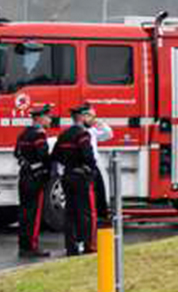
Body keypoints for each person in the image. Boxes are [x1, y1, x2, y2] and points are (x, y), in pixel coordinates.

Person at [51, 104, 101, 255]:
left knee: (70, 213)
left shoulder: (64, 134)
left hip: (67, 176)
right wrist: (90, 169)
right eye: (86, 115)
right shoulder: (83, 135)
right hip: (81, 177)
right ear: (80, 117)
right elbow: (88, 157)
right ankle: (89, 245)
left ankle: (71, 247)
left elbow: (55, 155)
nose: (88, 118)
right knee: (87, 213)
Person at [15, 104, 53, 258]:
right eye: (47, 117)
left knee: (24, 212)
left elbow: (17, 153)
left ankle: (23, 245)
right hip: (35, 177)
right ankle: (31, 246)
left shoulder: (23, 134)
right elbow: (43, 154)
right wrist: (48, 166)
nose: (49, 120)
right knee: (34, 214)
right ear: (39, 118)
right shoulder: (39, 135)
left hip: (24, 174)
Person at [82, 105, 114, 222]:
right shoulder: (78, 131)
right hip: (83, 167)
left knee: (100, 191)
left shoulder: (93, 131)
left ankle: (101, 216)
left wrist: (98, 122)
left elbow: (109, 134)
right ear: (83, 116)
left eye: (94, 116)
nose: (92, 119)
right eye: (90, 116)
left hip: (93, 166)